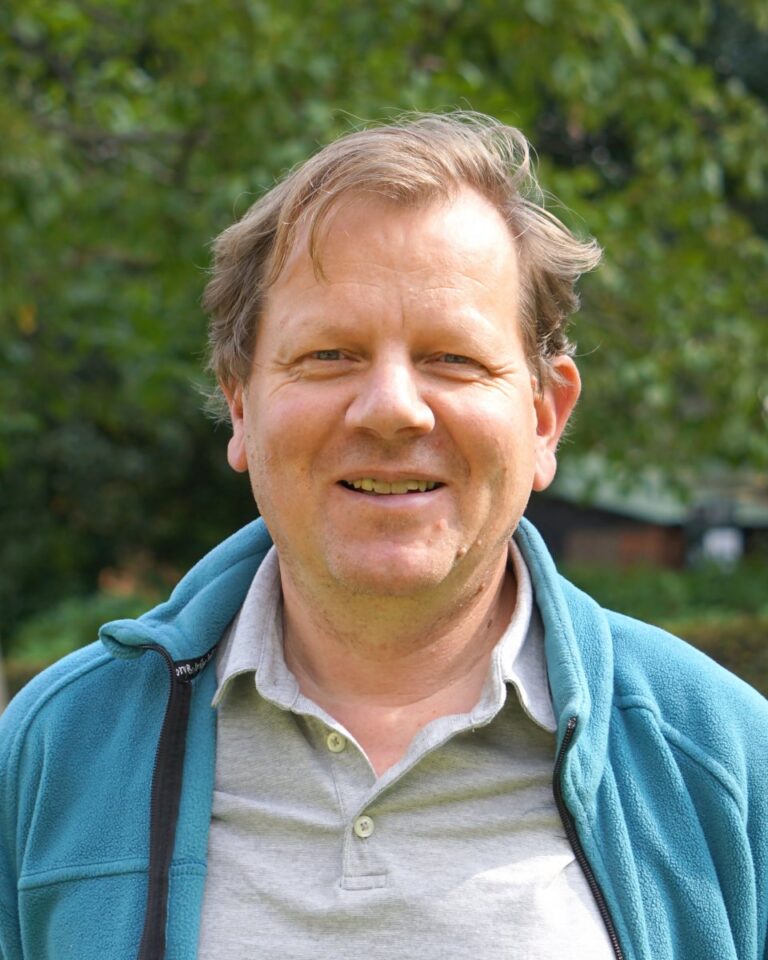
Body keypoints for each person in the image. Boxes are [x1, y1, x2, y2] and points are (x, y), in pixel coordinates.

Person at [1, 112, 766, 960]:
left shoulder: (723, 758)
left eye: (453, 358)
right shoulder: (57, 748)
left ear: (546, 416)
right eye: (330, 356)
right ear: (242, 406)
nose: (393, 409)